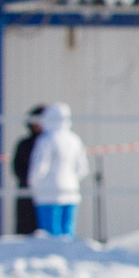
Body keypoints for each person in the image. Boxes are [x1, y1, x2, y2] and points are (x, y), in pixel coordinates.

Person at [25, 102, 88, 238]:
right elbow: (82, 168)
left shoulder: (46, 140)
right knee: (68, 233)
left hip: (48, 193)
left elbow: (40, 167)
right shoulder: (74, 140)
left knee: (51, 236)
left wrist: (33, 185)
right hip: (71, 192)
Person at [9, 106, 46, 237]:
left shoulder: (49, 143)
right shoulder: (24, 144)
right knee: (25, 226)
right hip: (26, 192)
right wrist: (29, 181)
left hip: (46, 192)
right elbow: (17, 167)